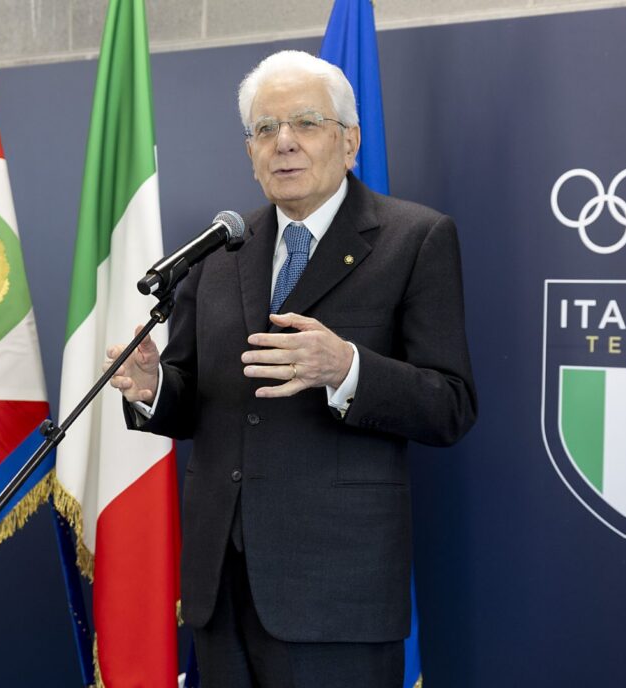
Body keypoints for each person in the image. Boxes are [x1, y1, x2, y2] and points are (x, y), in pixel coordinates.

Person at [107, 50, 477, 687]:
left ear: (349, 141)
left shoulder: (414, 239)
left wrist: (347, 368)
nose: (284, 143)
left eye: (306, 123)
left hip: (335, 592)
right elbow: (197, 399)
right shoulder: (219, 249)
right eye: (265, 129)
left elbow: (450, 405)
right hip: (221, 586)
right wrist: (154, 387)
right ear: (249, 151)